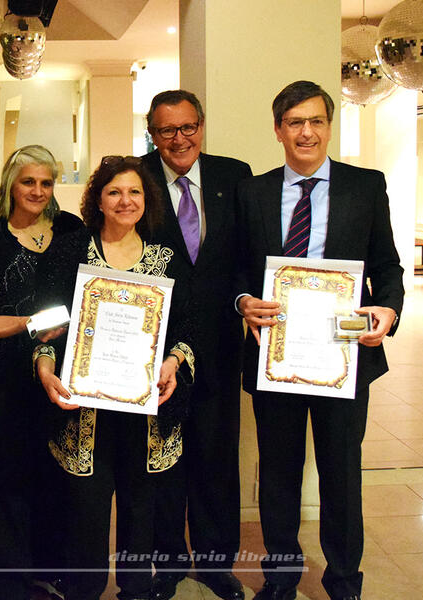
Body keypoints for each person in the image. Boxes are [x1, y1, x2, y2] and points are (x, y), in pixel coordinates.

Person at [235, 81, 404, 600]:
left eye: (316, 121)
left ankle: (345, 580)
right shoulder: (254, 191)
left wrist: (388, 311)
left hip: (345, 356)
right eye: (294, 122)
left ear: (329, 126)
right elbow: (237, 270)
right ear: (278, 130)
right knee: (279, 474)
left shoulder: (365, 185)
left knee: (341, 474)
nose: (306, 132)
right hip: (275, 357)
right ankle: (280, 578)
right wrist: (243, 302)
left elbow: (387, 268)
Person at [33, 156, 196, 600]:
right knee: (85, 511)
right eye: (114, 192)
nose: (126, 201)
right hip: (84, 412)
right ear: (98, 200)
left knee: (141, 511)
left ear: (148, 200)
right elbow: (45, 318)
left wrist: (174, 362)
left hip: (145, 414)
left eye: (135, 192)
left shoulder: (165, 256)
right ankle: (83, 590)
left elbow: (186, 325)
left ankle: (136, 590)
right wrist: (44, 363)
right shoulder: (71, 250)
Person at [141, 90, 251, 600]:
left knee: (215, 453)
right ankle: (164, 563)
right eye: (167, 131)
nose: (179, 139)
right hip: (156, 349)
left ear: (201, 127)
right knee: (162, 456)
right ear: (153, 133)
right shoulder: (135, 179)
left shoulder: (235, 176)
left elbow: (250, 255)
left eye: (188, 128)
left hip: (222, 345)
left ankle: (214, 560)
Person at [0, 145, 83, 600]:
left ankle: (50, 571)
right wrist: (30, 323)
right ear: (11, 185)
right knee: (9, 485)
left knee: (57, 480)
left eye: (46, 182)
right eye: (28, 181)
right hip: (6, 384)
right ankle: (9, 582)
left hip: (61, 377)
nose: (37, 191)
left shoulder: (73, 231)